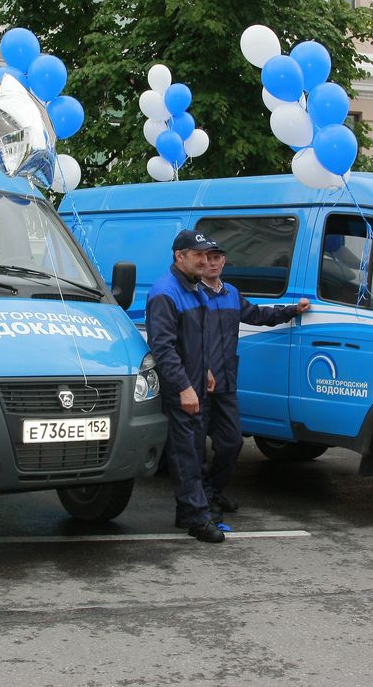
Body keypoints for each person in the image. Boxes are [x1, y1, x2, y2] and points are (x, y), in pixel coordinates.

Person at [201, 244, 310, 515]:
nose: (213, 263)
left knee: (231, 442)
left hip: (225, 382)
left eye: (217, 258)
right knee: (194, 448)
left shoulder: (231, 294)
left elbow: (259, 315)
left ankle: (213, 491)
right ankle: (201, 500)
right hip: (199, 382)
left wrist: (292, 310)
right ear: (200, 262)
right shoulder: (193, 295)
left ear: (224, 262)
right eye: (208, 259)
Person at [145, 229, 225, 543]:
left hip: (194, 381)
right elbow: (163, 348)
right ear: (179, 256)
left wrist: (203, 369)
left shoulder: (191, 287)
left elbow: (191, 338)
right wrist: (183, 387)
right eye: (199, 255)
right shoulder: (165, 292)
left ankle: (189, 510)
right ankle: (196, 517)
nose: (205, 261)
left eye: (208, 255)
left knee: (194, 449)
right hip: (181, 387)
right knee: (186, 453)